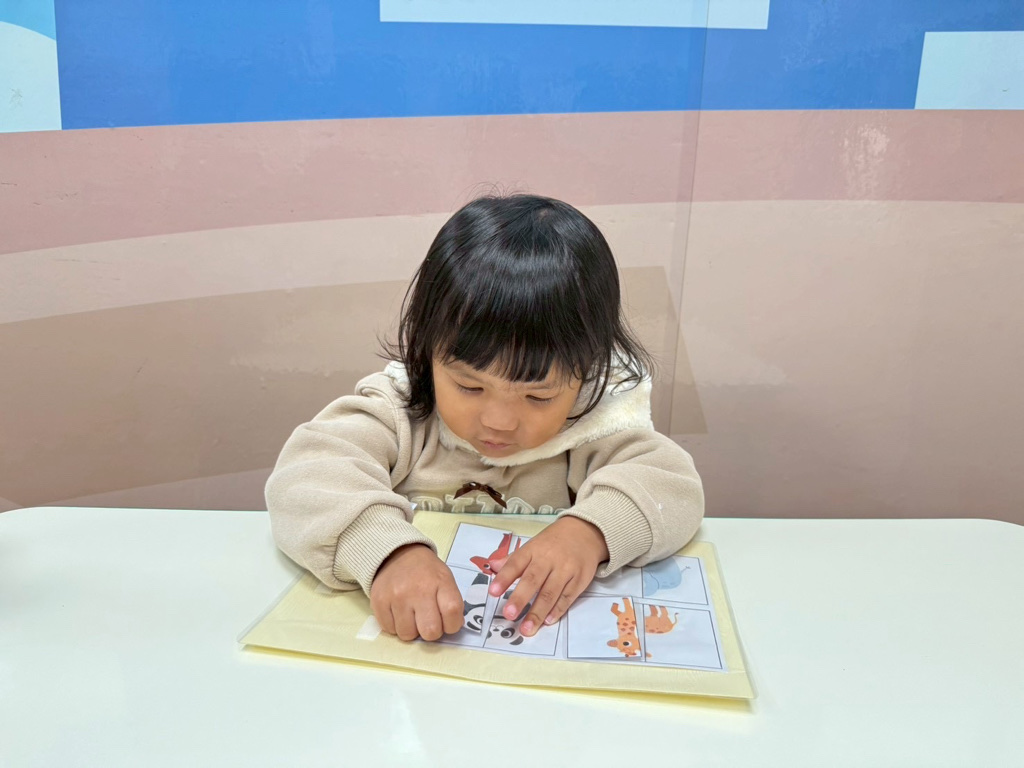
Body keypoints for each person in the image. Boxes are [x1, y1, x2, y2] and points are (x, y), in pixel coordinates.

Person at [266, 194, 704, 643]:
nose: (499, 421)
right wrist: (387, 553)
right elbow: (307, 476)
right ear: (427, 352)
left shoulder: (591, 425)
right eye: (469, 387)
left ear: (587, 372)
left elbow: (674, 488)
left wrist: (590, 533)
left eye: (538, 396)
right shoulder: (402, 410)